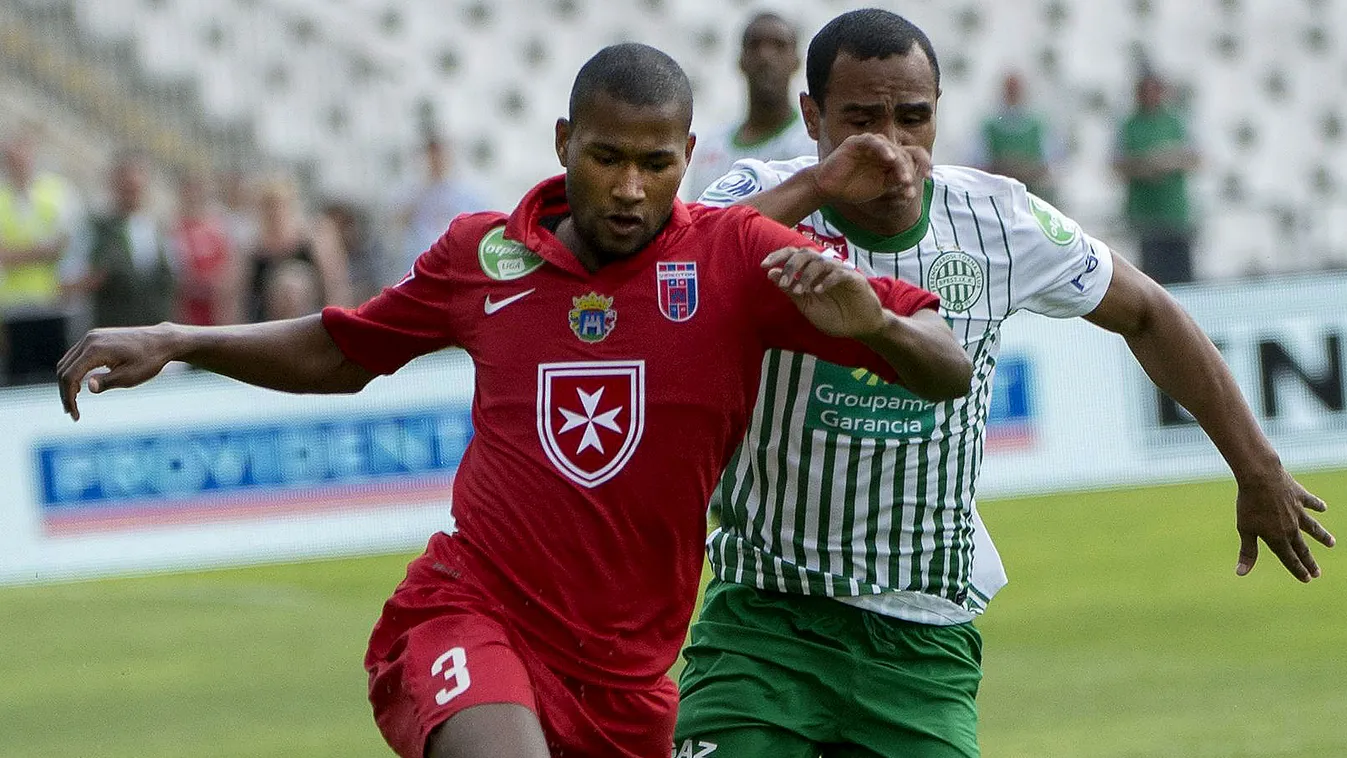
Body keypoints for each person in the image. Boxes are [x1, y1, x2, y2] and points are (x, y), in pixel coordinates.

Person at [55, 43, 974, 758]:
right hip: (473, 612)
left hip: (627, 678)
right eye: (605, 156)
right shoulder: (481, 256)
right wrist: (179, 342)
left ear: (688, 155)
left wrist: (877, 328)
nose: (627, 188)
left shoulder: (734, 259)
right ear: (561, 140)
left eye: (654, 163)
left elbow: (945, 363)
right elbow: (344, 349)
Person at [677, 10, 1335, 758]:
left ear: (936, 114)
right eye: (859, 119)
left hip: (920, 637)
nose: (888, 143)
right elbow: (675, 271)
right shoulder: (760, 197)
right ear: (811, 117)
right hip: (765, 617)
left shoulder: (995, 218)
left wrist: (1257, 468)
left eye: (912, 117)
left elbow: (1149, 313)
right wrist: (814, 184)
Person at [680, 11, 818, 201]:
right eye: (755, 45)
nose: (765, 56)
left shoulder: (812, 143)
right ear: (740, 60)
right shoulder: (710, 148)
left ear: (796, 61)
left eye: (779, 45)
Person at [0, 129, 81, 385]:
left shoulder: (57, 191)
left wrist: (19, 253)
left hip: (54, 302)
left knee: (57, 378)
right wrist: (44, 251)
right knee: (19, 381)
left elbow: (70, 244)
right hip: (14, 308)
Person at [61, 151, 175, 329]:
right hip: (110, 334)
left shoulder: (159, 229)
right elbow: (66, 282)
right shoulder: (93, 228)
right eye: (126, 182)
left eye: (137, 181)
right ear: (112, 183)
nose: (132, 186)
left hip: (153, 337)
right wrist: (92, 279)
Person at [1112, 70, 1201, 285]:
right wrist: (1146, 166)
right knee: (1152, 280)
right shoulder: (1127, 125)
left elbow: (1196, 158)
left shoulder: (1178, 121)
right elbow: (1116, 165)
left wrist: (1169, 161)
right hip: (1144, 216)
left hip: (1176, 213)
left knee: (1183, 278)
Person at [241, 174, 350, 322]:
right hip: (268, 323)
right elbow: (235, 298)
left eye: (279, 204)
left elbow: (335, 286)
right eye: (268, 206)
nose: (275, 212)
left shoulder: (315, 237)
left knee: (292, 286)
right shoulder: (251, 248)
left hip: (310, 319)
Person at [391, 136, 489, 283]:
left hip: (456, 263)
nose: (435, 161)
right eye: (431, 157)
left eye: (440, 156)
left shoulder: (467, 193)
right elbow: (398, 227)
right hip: (423, 263)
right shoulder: (412, 193)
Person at [974, 70, 1060, 204]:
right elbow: (978, 163)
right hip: (998, 198)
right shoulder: (989, 126)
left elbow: (1050, 165)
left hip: (1032, 198)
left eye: (1016, 90)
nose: (1013, 94)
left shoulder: (1038, 125)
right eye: (1010, 90)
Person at [171, 170, 239, 326]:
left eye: (199, 188)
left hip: (218, 311)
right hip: (186, 314)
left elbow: (232, 269)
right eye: (189, 188)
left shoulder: (221, 226)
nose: (194, 194)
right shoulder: (172, 228)